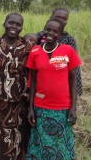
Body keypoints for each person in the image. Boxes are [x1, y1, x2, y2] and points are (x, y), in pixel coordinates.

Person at [26, 17, 81, 160]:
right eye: (48, 29)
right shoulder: (35, 52)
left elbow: (73, 79)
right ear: (44, 30)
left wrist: (73, 108)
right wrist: (31, 108)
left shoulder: (68, 51)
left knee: (61, 144)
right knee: (40, 144)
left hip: (62, 107)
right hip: (40, 107)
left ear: (61, 34)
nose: (50, 33)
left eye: (55, 31)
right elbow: (32, 81)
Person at [0, 12, 33, 160]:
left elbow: (33, 72)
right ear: (4, 24)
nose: (14, 26)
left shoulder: (28, 47)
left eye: (18, 24)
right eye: (11, 23)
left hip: (21, 100)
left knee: (19, 133)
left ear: (22, 27)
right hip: (0, 99)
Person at [37, 8, 83, 96]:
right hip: (43, 82)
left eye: (64, 18)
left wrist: (76, 88)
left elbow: (73, 66)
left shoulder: (69, 39)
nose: (61, 20)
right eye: (58, 17)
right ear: (51, 17)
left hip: (62, 83)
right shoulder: (39, 36)